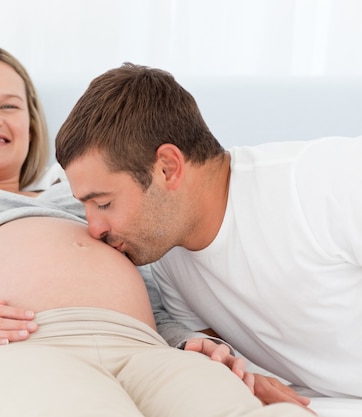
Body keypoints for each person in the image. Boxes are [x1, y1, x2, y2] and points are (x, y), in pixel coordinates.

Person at [0, 46, 314, 417]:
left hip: (144, 351)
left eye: (10, 105)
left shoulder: (92, 197)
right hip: (12, 355)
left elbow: (163, 303)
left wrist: (192, 344)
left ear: (31, 125)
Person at [55, 62, 362, 400]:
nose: (93, 228)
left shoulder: (322, 177)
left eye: (103, 202)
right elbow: (226, 364)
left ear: (167, 168)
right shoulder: (169, 265)